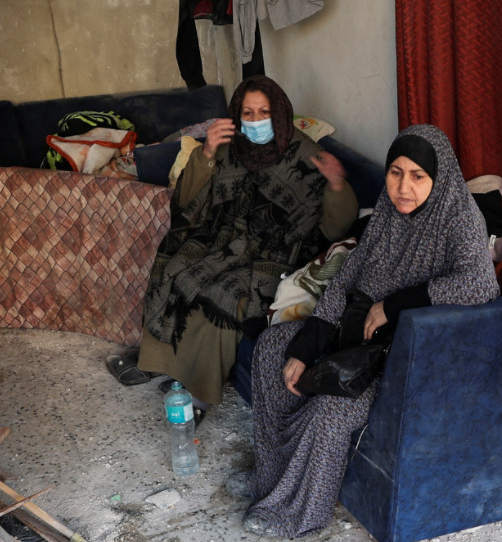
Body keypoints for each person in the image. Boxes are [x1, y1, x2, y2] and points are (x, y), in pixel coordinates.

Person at [238, 124, 498, 537]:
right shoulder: (386, 213)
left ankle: (299, 514)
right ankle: (270, 481)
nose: (403, 188)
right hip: (350, 333)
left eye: (417, 176)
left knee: (330, 410)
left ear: (439, 177)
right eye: (395, 172)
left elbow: (481, 285)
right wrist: (308, 344)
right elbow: (345, 280)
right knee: (273, 349)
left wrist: (393, 305)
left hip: (392, 360)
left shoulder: (459, 218)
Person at [111, 76, 356, 408]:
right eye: (248, 113)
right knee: (177, 262)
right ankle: (159, 364)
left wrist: (337, 185)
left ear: (280, 113)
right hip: (223, 238)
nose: (255, 122)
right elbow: (187, 201)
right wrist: (206, 152)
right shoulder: (229, 143)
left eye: (264, 112)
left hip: (274, 254)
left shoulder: (306, 154)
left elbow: (333, 228)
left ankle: (198, 394)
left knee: (224, 294)